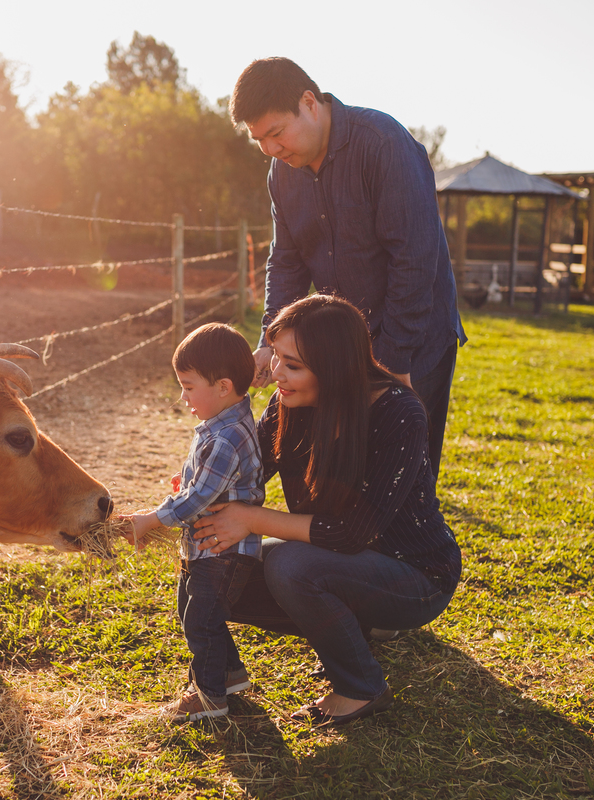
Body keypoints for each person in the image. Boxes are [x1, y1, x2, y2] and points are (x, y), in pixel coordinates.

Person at [193, 294, 461, 726]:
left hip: (415, 577)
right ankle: (221, 675)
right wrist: (194, 500)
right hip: (344, 564)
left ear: (337, 368)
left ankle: (360, 688)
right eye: (277, 357)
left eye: (292, 365)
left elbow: (351, 533)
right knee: (208, 552)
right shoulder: (288, 403)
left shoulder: (399, 414)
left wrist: (251, 519)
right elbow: (246, 475)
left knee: (292, 566)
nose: (276, 374)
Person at [229, 57, 467, 480]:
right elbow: (286, 261)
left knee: (406, 466)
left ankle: (413, 547)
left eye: (277, 133)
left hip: (415, 336)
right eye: (259, 140)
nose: (270, 149)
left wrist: (394, 362)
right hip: (343, 341)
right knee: (348, 463)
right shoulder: (282, 174)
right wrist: (270, 340)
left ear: (309, 102)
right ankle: (344, 543)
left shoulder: (382, 143)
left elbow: (414, 260)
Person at [122, 323, 265, 722]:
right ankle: (231, 674)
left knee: (200, 619)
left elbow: (198, 498)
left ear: (222, 386)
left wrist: (152, 519)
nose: (182, 396)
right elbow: (204, 486)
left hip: (222, 550)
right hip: (207, 546)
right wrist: (188, 484)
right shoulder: (222, 426)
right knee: (196, 611)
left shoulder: (225, 437)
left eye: (187, 386)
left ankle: (209, 696)